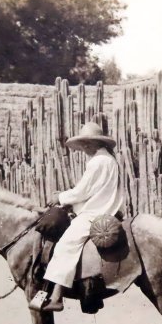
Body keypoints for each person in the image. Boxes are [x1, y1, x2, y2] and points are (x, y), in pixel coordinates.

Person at [36, 122, 124, 312]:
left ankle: (57, 297)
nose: (84, 148)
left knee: (65, 245)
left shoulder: (98, 162)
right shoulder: (109, 160)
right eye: (83, 143)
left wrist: (59, 197)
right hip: (104, 208)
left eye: (86, 143)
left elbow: (82, 191)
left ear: (95, 143)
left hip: (94, 213)